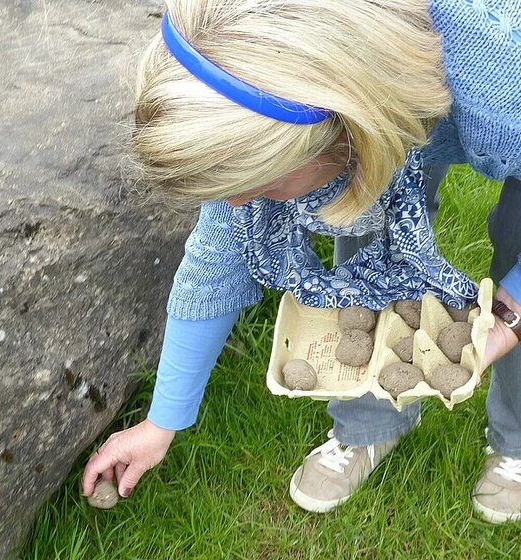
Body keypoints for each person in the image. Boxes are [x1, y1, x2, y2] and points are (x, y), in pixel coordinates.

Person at [82, 0, 521, 522]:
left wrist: (512, 309)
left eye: (262, 185)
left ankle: (516, 442)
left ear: (341, 132)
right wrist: (161, 422)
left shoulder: (499, 74)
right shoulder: (261, 73)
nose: (241, 205)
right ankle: (369, 426)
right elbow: (216, 262)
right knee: (356, 222)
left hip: (466, 85)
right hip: (380, 94)